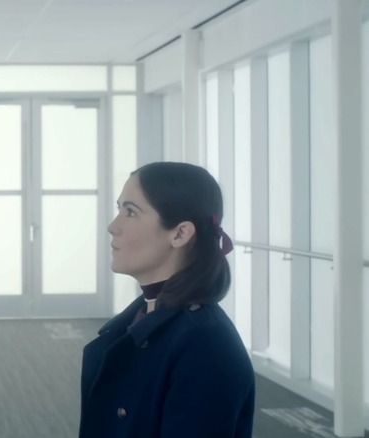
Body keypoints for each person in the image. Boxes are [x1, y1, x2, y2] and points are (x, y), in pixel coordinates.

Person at [79, 162, 255, 438]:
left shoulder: (204, 348)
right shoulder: (140, 319)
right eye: (119, 209)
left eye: (131, 212)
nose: (114, 226)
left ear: (180, 233)